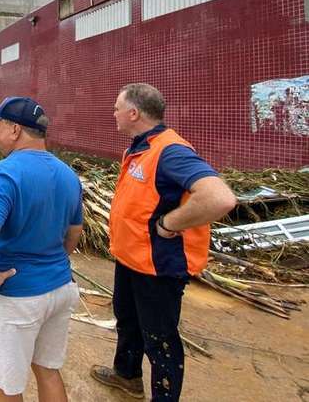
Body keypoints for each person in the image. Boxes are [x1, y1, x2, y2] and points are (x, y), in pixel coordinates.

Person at [90, 84, 237, 400]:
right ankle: (126, 375)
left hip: (157, 266)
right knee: (128, 321)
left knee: (160, 338)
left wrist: (170, 224)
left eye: (117, 107)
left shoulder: (171, 150)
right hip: (131, 258)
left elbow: (220, 198)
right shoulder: (139, 147)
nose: (113, 113)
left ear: (134, 113)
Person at [0, 96, 83, 402]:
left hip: (18, 298)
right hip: (60, 288)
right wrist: (53, 261)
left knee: (7, 384)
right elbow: (74, 234)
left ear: (15, 130)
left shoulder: (4, 173)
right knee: (47, 370)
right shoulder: (68, 175)